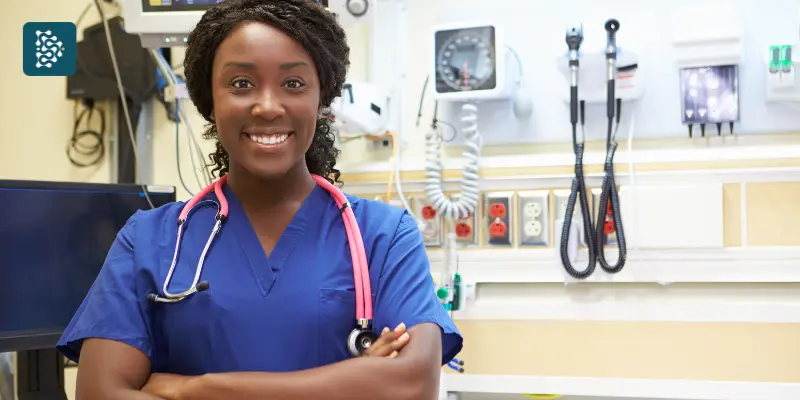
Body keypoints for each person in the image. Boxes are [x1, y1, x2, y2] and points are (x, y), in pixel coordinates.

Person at [55, 0, 463, 399]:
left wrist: (197, 388)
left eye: (293, 84)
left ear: (322, 98)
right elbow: (99, 392)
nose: (268, 106)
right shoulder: (149, 240)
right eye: (241, 84)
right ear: (208, 100)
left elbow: (412, 384)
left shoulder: (383, 236)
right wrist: (357, 379)